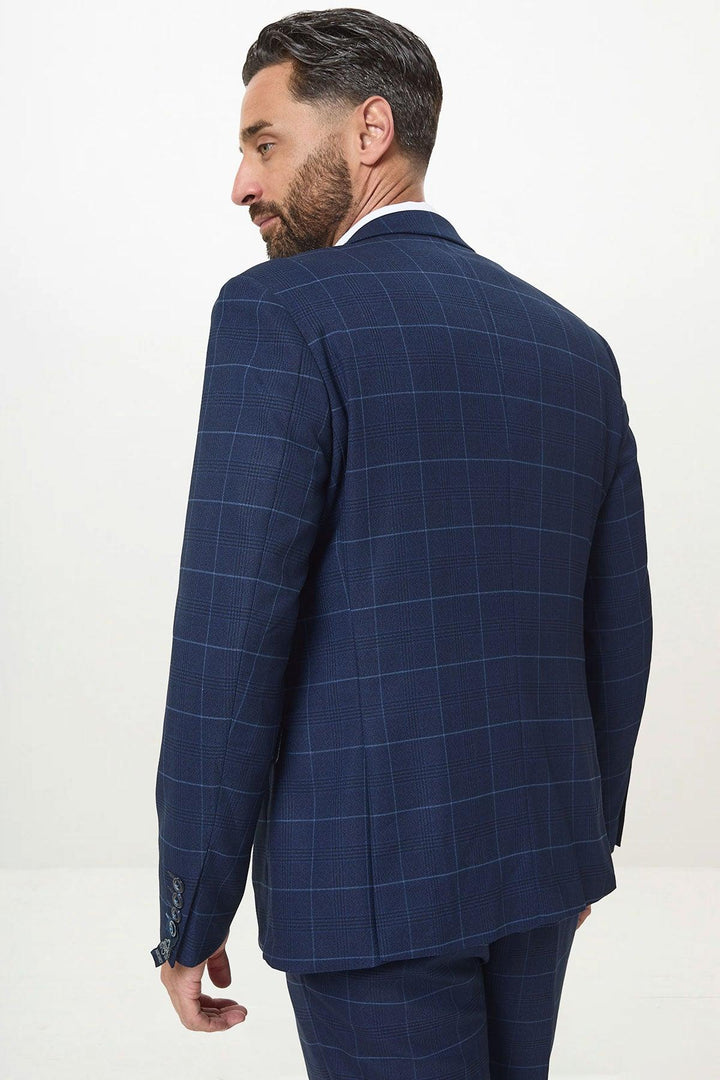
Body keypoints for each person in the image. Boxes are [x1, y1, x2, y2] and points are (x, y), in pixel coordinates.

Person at [150, 8, 653, 1077]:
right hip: (541, 864)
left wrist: (192, 904)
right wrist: (581, 841)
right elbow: (618, 628)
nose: (241, 183)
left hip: (367, 888)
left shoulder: (279, 315)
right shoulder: (574, 350)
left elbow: (230, 637)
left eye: (264, 143)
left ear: (370, 130)